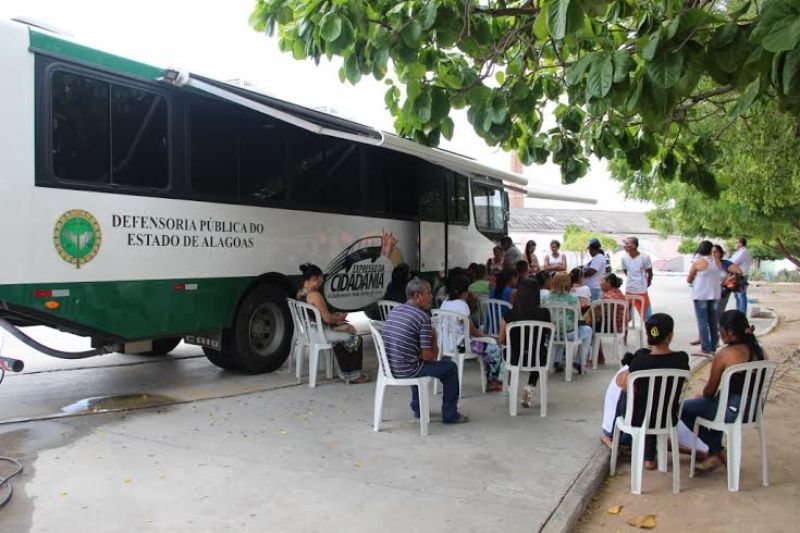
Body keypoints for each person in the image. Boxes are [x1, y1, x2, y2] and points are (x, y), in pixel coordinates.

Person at [681, 310, 765, 472]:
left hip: (732, 412)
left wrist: (702, 397)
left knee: (684, 408)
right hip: (753, 410)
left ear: (729, 332)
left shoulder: (725, 354)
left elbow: (709, 392)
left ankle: (719, 451)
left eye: (720, 330)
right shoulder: (760, 351)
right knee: (714, 403)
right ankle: (714, 456)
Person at [382, 278, 469, 424]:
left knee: (416, 361)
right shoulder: (422, 318)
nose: (431, 297)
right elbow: (429, 357)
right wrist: (434, 337)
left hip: (390, 367)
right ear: (417, 296)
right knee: (450, 368)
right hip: (407, 369)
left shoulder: (394, 311)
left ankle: (418, 408)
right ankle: (450, 415)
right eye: (428, 293)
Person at [614, 314, 690, 470]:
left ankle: (617, 439)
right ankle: (649, 457)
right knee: (654, 402)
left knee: (628, 394)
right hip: (668, 417)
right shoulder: (681, 359)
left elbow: (622, 383)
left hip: (639, 418)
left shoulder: (641, 360)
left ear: (648, 335)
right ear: (671, 335)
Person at [600, 351, 708, 458]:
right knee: (655, 427)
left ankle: (691, 451)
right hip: (624, 431)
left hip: (629, 425)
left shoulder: (640, 373)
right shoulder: (633, 376)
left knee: (656, 422)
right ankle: (690, 451)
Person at [296, 263, 370, 384]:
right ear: (314, 279)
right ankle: (351, 374)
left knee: (347, 329)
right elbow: (328, 319)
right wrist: (341, 317)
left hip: (311, 331)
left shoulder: (300, 293)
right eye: (320, 281)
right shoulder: (314, 295)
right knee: (355, 338)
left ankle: (345, 369)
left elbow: (318, 315)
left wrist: (336, 320)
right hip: (321, 333)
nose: (321, 284)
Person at [440, 275, 502, 392]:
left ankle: (490, 379)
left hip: (446, 344)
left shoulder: (445, 303)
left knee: (486, 345)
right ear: (464, 291)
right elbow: (472, 330)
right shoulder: (462, 305)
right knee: (493, 347)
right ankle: (494, 381)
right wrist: (486, 337)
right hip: (461, 345)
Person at [497, 278, 551, 408]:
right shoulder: (544, 314)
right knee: (540, 351)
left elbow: (501, 340)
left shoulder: (509, 315)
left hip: (514, 357)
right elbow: (548, 333)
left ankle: (511, 388)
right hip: (537, 358)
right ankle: (530, 385)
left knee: (509, 351)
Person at [543, 272, 593, 374]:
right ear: (568, 283)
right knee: (588, 330)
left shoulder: (545, 298)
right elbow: (579, 319)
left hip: (551, 334)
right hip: (569, 334)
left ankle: (557, 361)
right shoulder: (573, 298)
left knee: (560, 327)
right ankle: (580, 362)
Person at [687, 240, 722, 358]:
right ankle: (713, 346)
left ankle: (705, 349)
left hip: (701, 294)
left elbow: (689, 279)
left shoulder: (698, 262)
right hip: (715, 294)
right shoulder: (717, 261)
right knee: (713, 321)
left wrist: (696, 278)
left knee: (702, 321)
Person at [621, 236, 653, 320]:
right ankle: (624, 331)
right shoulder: (624, 258)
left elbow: (650, 273)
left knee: (647, 317)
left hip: (641, 291)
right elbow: (626, 271)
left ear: (634, 246)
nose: (625, 245)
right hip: (629, 290)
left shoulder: (645, 257)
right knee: (625, 317)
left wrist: (647, 283)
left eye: (627, 243)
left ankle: (648, 331)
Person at [713, 244, 744, 313]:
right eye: (711, 252)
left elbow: (739, 272)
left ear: (720, 253)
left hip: (723, 291)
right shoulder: (708, 264)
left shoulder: (725, 263)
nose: (713, 254)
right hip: (710, 291)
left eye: (715, 252)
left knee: (718, 312)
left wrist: (728, 280)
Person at [730, 237, 753, 315]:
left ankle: (742, 315)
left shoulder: (744, 252)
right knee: (737, 296)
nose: (735, 244)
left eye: (736, 242)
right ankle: (738, 314)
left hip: (742, 276)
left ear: (741, 243)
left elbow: (734, 262)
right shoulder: (738, 252)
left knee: (741, 296)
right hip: (736, 275)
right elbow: (731, 261)